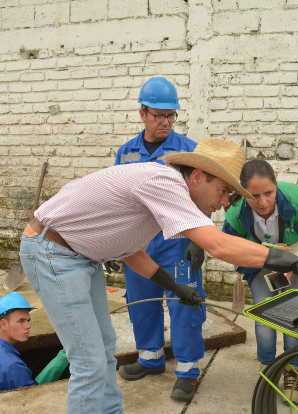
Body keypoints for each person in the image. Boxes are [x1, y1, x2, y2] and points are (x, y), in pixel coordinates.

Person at [19, 138, 298, 414]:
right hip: (52, 253)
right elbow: (218, 245)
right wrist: (294, 263)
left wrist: (175, 287)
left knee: (104, 350)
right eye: (222, 191)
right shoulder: (165, 183)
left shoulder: (161, 188)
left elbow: (131, 252)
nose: (222, 203)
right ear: (196, 176)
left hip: (77, 255)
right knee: (89, 362)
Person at [114, 76, 206, 402]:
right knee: (141, 300)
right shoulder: (126, 153)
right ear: (142, 113)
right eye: (158, 115)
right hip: (139, 245)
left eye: (171, 115)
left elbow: (204, 199)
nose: (165, 122)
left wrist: (200, 240)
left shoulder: (188, 151)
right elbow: (118, 200)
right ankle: (150, 358)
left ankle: (187, 369)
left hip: (178, 243)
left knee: (185, 303)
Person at [222, 159, 298, 405]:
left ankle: (292, 370)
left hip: (297, 267)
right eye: (254, 196)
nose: (263, 202)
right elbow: (229, 249)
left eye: (268, 193)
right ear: (244, 193)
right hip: (260, 268)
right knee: (264, 318)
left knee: (294, 320)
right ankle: (268, 367)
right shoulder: (235, 214)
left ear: (276, 186)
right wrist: (256, 264)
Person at [0, 292, 68, 395]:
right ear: (3, 324)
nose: (28, 326)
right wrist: (63, 358)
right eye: (21, 321)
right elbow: (33, 397)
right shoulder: (13, 366)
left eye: (28, 320)